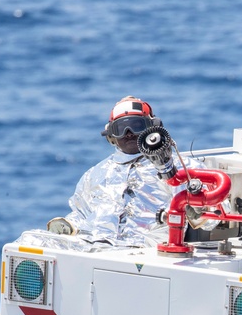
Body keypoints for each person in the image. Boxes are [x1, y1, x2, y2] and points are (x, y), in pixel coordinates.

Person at [21, 96, 208, 252]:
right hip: (93, 247)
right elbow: (81, 213)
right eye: (121, 128)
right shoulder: (95, 174)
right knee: (28, 242)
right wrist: (68, 226)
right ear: (111, 135)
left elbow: (210, 218)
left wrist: (198, 209)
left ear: (153, 127)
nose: (129, 133)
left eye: (136, 125)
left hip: (144, 251)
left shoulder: (178, 167)